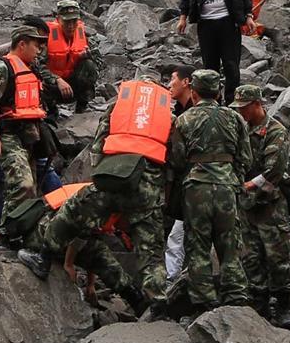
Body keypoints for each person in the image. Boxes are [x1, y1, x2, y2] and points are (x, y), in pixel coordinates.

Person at [20, 74, 174, 318]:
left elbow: (99, 143)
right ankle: (159, 305)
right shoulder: (167, 117)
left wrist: (100, 174)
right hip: (147, 189)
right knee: (151, 251)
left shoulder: (119, 107)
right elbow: (174, 158)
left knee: (71, 213)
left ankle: (43, 260)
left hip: (113, 178)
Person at [171, 69, 252, 313]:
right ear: (218, 93)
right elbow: (246, 157)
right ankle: (236, 296)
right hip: (227, 186)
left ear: (194, 93)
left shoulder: (183, 120)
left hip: (196, 188)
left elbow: (177, 160)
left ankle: (204, 302)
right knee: (230, 244)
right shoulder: (235, 118)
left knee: (198, 246)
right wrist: (234, 178)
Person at [0, 16, 62, 234]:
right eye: (36, 45)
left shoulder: (31, 67)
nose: (39, 50)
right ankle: (3, 230)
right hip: (7, 134)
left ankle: (21, 230)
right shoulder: (1, 67)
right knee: (22, 184)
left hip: (29, 134)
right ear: (22, 44)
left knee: (30, 185)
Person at [12, 183, 150, 314]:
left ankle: (136, 299)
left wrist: (91, 284)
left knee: (103, 257)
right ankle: (42, 260)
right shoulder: (99, 200)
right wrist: (68, 264)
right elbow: (79, 233)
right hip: (44, 229)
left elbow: (94, 242)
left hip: (72, 234)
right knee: (60, 237)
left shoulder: (117, 207)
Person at [230, 84, 290, 328]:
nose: (241, 112)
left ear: (257, 104)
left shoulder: (275, 130)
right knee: (251, 255)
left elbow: (274, 169)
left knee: (276, 255)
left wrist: (246, 185)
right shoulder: (242, 129)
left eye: (245, 107)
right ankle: (259, 301)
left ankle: (283, 304)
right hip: (247, 204)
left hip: (270, 204)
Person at [164, 63, 195, 284]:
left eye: (172, 80)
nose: (169, 85)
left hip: (195, 184)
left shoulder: (192, 115)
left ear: (186, 82)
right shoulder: (179, 112)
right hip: (184, 183)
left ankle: (174, 280)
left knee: (180, 235)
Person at [42, 0, 98, 114]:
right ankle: (51, 110)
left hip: (73, 86)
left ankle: (82, 106)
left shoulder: (84, 35)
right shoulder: (46, 37)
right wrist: (57, 79)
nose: (71, 26)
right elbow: (37, 66)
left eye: (74, 21)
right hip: (53, 86)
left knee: (89, 64)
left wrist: (87, 57)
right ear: (58, 19)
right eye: (67, 21)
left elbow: (100, 64)